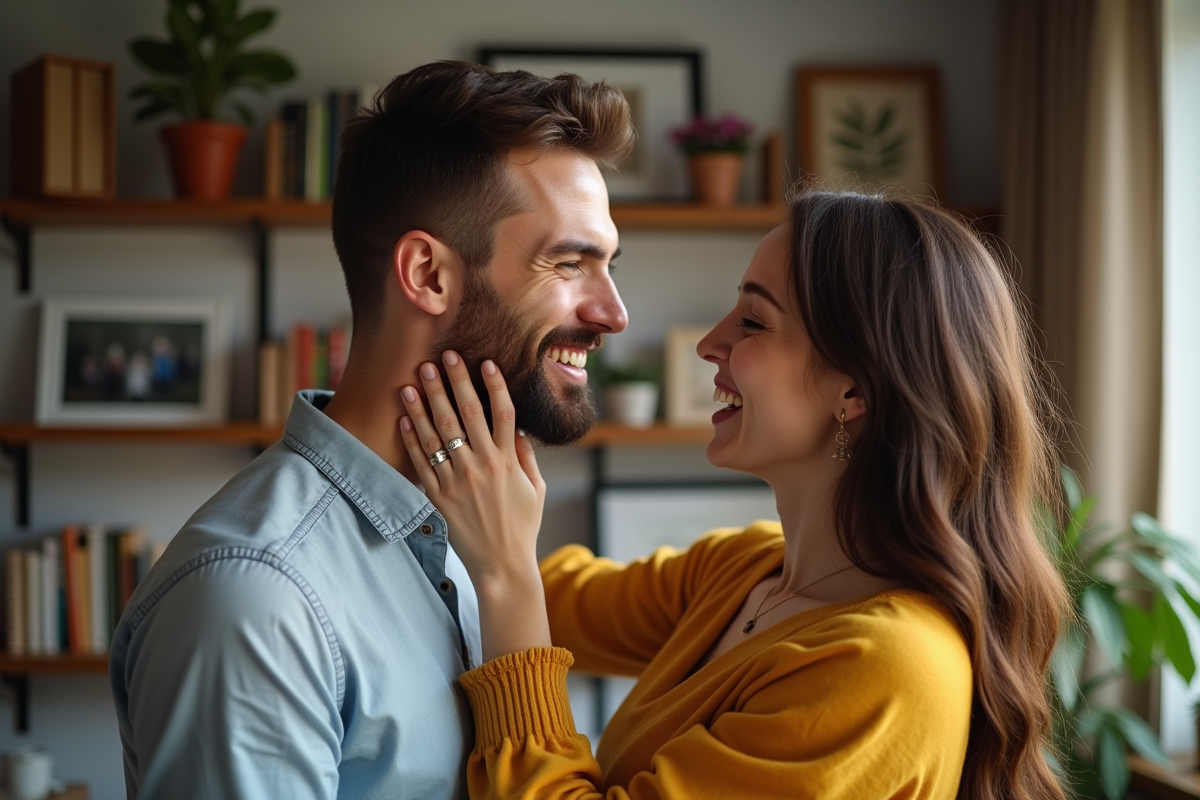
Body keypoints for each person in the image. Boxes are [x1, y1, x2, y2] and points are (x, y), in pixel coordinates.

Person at [400, 190, 1069, 800]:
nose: (711, 343)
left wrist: (505, 571)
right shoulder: (748, 571)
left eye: (752, 321)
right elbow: (562, 600)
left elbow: (521, 592)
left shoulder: (885, 670)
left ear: (855, 391)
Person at [108, 61, 632, 800]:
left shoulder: (469, 539)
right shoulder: (256, 597)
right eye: (570, 263)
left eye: (608, 265)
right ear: (426, 273)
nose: (614, 313)